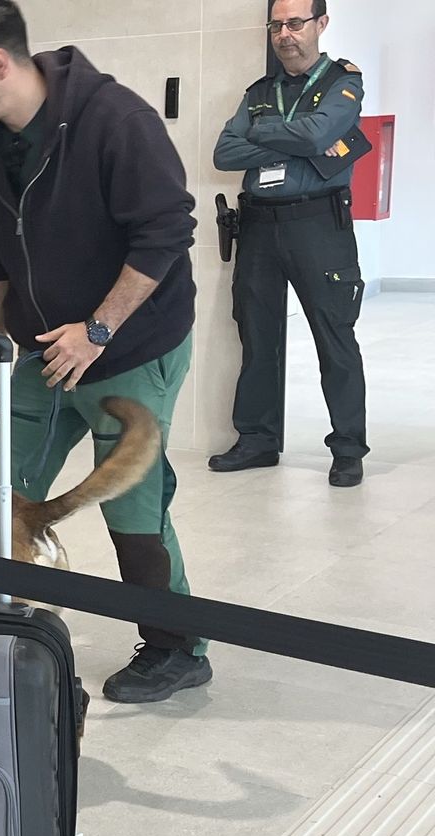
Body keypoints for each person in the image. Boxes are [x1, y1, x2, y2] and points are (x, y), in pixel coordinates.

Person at [0, 0, 210, 703]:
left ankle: (177, 646)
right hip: (45, 352)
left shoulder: (116, 122)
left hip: (131, 347)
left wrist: (98, 330)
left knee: (131, 508)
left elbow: (165, 235)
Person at [208, 0, 368, 487]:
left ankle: (347, 449)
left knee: (334, 337)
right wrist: (292, 138)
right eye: (277, 24)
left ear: (320, 24)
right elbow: (224, 151)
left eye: (296, 23)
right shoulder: (259, 91)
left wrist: (264, 132)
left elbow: (322, 133)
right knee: (256, 337)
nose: (285, 34)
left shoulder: (343, 81)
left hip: (319, 224)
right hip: (258, 226)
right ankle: (257, 440)